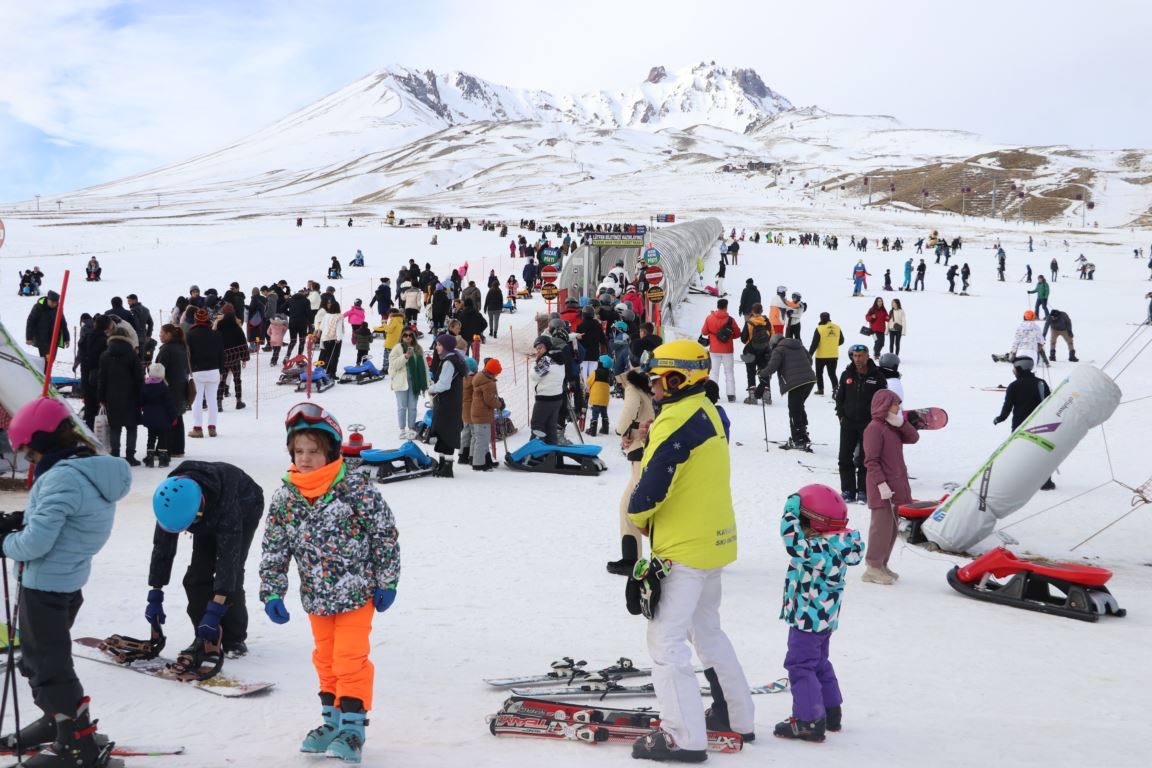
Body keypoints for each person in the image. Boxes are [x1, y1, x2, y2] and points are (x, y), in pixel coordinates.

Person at [627, 340, 754, 761]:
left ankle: (682, 736)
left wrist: (637, 518)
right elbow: (685, 460)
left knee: (666, 641)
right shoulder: (709, 412)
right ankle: (736, 716)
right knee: (708, 631)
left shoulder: (675, 420)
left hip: (682, 550)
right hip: (713, 542)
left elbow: (649, 492)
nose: (654, 388)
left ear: (680, 378)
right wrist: (653, 440)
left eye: (659, 379)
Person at [259, 404, 399, 764]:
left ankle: (353, 728)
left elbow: (384, 534)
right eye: (299, 451)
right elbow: (275, 548)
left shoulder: (354, 488)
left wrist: (387, 580)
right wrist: (273, 590)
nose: (305, 459)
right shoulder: (285, 497)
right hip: (317, 597)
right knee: (325, 659)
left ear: (330, 452)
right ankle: (331, 721)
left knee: (349, 658)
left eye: (314, 451)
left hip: (356, 592)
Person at [0, 398, 129, 765]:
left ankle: (76, 744)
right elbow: (62, 518)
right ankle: (55, 720)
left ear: (40, 443)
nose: (29, 462)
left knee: (51, 666)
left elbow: (38, 542)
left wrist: (6, 542)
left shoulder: (61, 478)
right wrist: (19, 519)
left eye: (28, 454)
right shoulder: (83, 469)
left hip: (45, 585)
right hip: (64, 581)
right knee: (39, 661)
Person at [775, 485, 863, 741]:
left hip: (808, 618)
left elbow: (793, 542)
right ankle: (829, 711)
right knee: (819, 663)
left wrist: (789, 510)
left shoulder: (819, 550)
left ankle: (808, 721)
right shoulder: (837, 543)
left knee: (800, 665)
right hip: (822, 619)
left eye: (801, 521)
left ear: (812, 523)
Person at [861, 389, 919, 584]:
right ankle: (872, 567)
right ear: (885, 404)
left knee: (892, 528)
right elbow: (871, 461)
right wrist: (881, 484)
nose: (898, 408)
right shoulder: (874, 429)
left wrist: (902, 424)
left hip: (896, 484)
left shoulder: (893, 426)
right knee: (880, 527)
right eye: (895, 404)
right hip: (882, 487)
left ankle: (882, 564)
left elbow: (913, 438)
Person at [609, 369, 654, 576]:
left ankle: (631, 559)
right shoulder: (646, 387)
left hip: (640, 448)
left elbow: (630, 410)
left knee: (629, 505)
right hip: (643, 445)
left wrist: (621, 430)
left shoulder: (632, 387)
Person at [834, 345, 887, 504]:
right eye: (855, 356)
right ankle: (848, 490)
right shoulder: (846, 374)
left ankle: (864, 490)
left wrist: (876, 421)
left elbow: (883, 400)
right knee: (844, 458)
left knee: (866, 459)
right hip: (848, 423)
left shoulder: (877, 376)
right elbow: (839, 398)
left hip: (868, 425)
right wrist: (841, 416)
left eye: (860, 356)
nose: (857, 359)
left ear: (867, 356)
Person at [994, 357, 1055, 490]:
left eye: (1014, 368)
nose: (1013, 371)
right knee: (1040, 452)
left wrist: (1001, 418)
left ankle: (1018, 481)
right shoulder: (1041, 383)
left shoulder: (1014, 386)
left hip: (1020, 426)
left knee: (1018, 452)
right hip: (1041, 424)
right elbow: (1050, 403)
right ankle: (1046, 482)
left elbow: (1007, 406)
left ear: (1019, 369)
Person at [760, 334, 817, 450]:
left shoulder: (779, 349)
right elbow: (810, 360)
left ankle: (799, 439)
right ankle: (803, 431)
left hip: (795, 383)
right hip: (810, 380)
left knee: (794, 410)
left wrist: (762, 372)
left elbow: (772, 367)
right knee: (799, 406)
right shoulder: (799, 345)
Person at [98, 324, 144, 465]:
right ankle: (130, 456)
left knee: (115, 426)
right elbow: (139, 378)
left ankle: (115, 454)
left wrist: (101, 398)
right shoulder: (132, 355)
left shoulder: (105, 355)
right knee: (131, 427)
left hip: (111, 397)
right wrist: (142, 397)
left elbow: (102, 379)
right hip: (131, 396)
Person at [426, 334, 466, 477]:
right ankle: (443, 464)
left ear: (447, 346)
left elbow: (444, 384)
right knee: (444, 433)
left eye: (439, 344)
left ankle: (447, 467)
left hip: (447, 403)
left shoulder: (449, 362)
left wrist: (431, 389)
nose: (436, 347)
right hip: (450, 402)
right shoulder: (452, 359)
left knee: (447, 433)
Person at [187, 308, 223, 438]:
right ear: (207, 319)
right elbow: (221, 354)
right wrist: (221, 370)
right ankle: (212, 428)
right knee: (212, 400)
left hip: (198, 371)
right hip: (214, 370)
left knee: (197, 400)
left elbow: (188, 354)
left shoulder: (190, 334)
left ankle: (197, 428)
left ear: (196, 319)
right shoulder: (216, 334)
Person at [388, 328, 428, 439]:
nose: (408, 337)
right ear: (402, 336)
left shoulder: (418, 349)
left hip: (415, 382)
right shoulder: (397, 348)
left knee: (413, 406)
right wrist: (405, 356)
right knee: (402, 407)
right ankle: (402, 429)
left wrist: (427, 380)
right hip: (401, 381)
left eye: (410, 335)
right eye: (405, 335)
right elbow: (394, 365)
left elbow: (424, 366)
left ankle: (411, 428)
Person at [699, 298, 739, 402]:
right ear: (726, 307)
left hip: (714, 349)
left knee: (714, 372)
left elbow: (704, 332)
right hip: (727, 349)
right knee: (729, 372)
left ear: (717, 306)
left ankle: (712, 394)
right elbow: (737, 334)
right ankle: (731, 394)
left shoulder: (710, 318)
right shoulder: (730, 319)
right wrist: (729, 336)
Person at [468, 358, 503, 471]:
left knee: (483, 438)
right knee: (482, 439)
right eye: (497, 373)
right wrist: (500, 404)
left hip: (477, 413)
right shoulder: (488, 384)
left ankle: (486, 460)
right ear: (493, 372)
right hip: (482, 415)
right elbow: (489, 401)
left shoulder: (480, 377)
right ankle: (478, 464)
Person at [529, 335, 565, 444]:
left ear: (547, 347)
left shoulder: (547, 359)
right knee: (550, 428)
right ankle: (551, 454)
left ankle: (534, 456)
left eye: (540, 348)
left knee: (537, 426)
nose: (538, 351)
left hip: (545, 399)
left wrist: (535, 362)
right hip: (557, 398)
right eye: (537, 349)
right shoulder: (558, 357)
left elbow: (535, 375)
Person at [140, 362, 177, 468]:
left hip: (149, 418)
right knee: (163, 438)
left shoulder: (145, 386)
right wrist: (174, 417)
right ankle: (162, 459)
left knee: (151, 437)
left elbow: (141, 400)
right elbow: (170, 404)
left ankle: (150, 458)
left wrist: (143, 407)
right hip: (163, 419)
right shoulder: (164, 388)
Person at [25, 290, 70, 370]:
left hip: (54, 338)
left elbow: (63, 323)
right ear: (48, 299)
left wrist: (67, 338)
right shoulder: (38, 307)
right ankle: (44, 377)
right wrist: (29, 337)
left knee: (51, 359)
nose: (53, 304)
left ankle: (46, 376)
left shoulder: (58, 308)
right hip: (42, 339)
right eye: (51, 301)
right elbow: (30, 321)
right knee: (47, 359)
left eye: (55, 302)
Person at [215, 307, 249, 411]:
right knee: (237, 379)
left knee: (221, 380)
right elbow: (243, 343)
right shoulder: (237, 328)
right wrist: (244, 358)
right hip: (235, 358)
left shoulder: (219, 329)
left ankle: (219, 403)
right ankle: (238, 401)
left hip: (222, 359)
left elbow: (215, 345)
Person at [740, 304, 772, 404]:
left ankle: (752, 396)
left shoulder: (749, 322)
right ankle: (766, 395)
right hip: (765, 351)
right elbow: (772, 335)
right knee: (765, 372)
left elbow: (743, 339)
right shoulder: (767, 322)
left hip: (750, 350)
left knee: (751, 372)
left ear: (752, 311)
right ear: (762, 311)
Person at [584, 355, 612, 436]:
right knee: (604, 412)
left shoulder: (596, 372)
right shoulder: (609, 373)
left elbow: (588, 382)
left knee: (595, 412)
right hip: (605, 397)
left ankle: (593, 429)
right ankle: (605, 428)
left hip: (596, 396)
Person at [315, 299, 345, 376]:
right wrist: (338, 338)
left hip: (325, 338)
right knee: (334, 356)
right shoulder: (339, 316)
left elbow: (321, 327)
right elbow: (338, 328)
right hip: (334, 339)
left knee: (328, 356)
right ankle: (332, 373)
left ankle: (327, 371)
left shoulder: (326, 315)